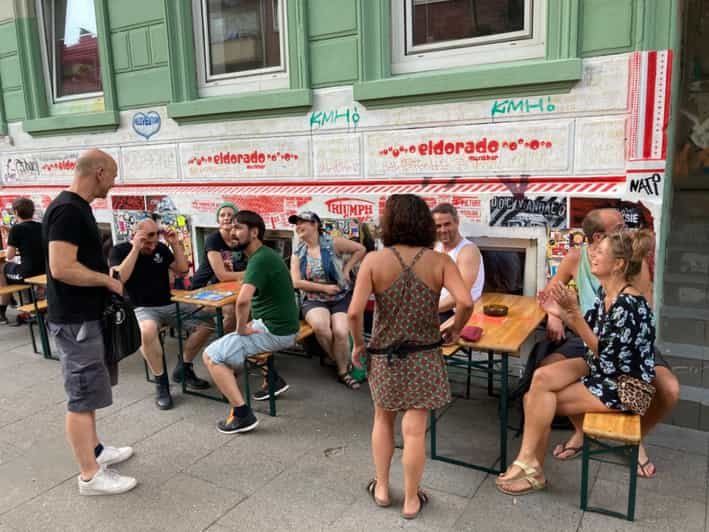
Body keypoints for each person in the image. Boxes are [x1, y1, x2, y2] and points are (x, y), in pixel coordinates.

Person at [497, 229, 656, 495]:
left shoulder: (628, 304)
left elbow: (607, 357)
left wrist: (574, 316)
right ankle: (528, 462)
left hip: (627, 387)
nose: (592, 255)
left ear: (618, 265)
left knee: (535, 400)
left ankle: (532, 468)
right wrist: (560, 312)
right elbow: (590, 339)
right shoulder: (609, 294)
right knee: (541, 377)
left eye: (600, 252)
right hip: (602, 370)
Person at [348, 194, 473, 519]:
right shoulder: (440, 261)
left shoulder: (374, 261)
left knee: (382, 420)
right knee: (415, 431)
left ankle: (383, 489)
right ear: (424, 223)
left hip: (384, 356)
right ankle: (412, 500)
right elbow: (466, 302)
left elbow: (353, 312)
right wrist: (456, 330)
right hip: (425, 355)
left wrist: (358, 345)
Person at [540, 209, 679, 477]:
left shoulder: (630, 263)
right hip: (586, 330)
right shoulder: (576, 257)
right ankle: (581, 432)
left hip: (624, 340)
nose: (626, 229)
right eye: (619, 226)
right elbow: (551, 292)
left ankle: (636, 438)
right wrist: (553, 316)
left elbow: (641, 311)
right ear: (599, 236)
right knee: (547, 367)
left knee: (669, 388)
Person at [43, 149, 136, 496]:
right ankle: (89, 475)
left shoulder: (75, 208)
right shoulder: (68, 210)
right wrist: (106, 281)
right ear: (99, 172)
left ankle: (96, 450)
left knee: (91, 392)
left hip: (84, 317)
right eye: (112, 176)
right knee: (81, 396)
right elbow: (61, 267)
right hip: (75, 320)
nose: (114, 183)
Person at [202, 210, 299, 434]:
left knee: (211, 356)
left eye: (237, 228)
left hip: (277, 331)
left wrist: (241, 328)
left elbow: (243, 301)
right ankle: (272, 380)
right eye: (231, 228)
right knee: (232, 342)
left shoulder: (259, 260)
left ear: (254, 232)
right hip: (282, 326)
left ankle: (242, 414)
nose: (231, 232)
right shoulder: (265, 255)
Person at [109, 218, 213, 410]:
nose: (154, 241)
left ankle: (185, 367)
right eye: (149, 236)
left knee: (209, 320)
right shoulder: (120, 250)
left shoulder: (160, 249)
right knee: (147, 330)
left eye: (156, 235)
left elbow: (182, 270)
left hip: (169, 303)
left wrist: (174, 244)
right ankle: (161, 383)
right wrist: (135, 249)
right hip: (140, 307)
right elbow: (118, 279)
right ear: (136, 234)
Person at [289, 211, 366, 389]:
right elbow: (296, 282)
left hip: (340, 296)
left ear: (315, 224)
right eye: (296, 224)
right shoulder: (297, 253)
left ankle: (341, 367)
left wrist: (347, 268)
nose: (298, 227)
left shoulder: (333, 243)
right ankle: (343, 368)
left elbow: (360, 249)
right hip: (314, 298)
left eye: (302, 223)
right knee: (321, 328)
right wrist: (324, 288)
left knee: (340, 331)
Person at [191, 202, 245, 331]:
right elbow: (222, 275)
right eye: (222, 215)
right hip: (202, 290)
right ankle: (223, 347)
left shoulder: (240, 240)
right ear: (218, 220)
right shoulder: (213, 239)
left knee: (247, 306)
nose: (226, 218)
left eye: (230, 215)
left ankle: (236, 343)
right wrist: (251, 272)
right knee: (233, 311)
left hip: (225, 290)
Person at [431, 203, 485, 322]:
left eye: (447, 224)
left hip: (458, 313)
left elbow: (460, 297)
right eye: (438, 226)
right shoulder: (437, 247)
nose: (443, 230)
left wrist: (428, 309)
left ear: (457, 222)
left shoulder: (468, 251)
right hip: (440, 308)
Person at [0, 197, 44, 325]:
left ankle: (2, 310)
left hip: (28, 273)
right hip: (44, 270)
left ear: (16, 212)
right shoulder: (41, 226)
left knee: (2, 267)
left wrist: (9, 237)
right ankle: (14, 301)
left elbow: (9, 255)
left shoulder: (17, 229)